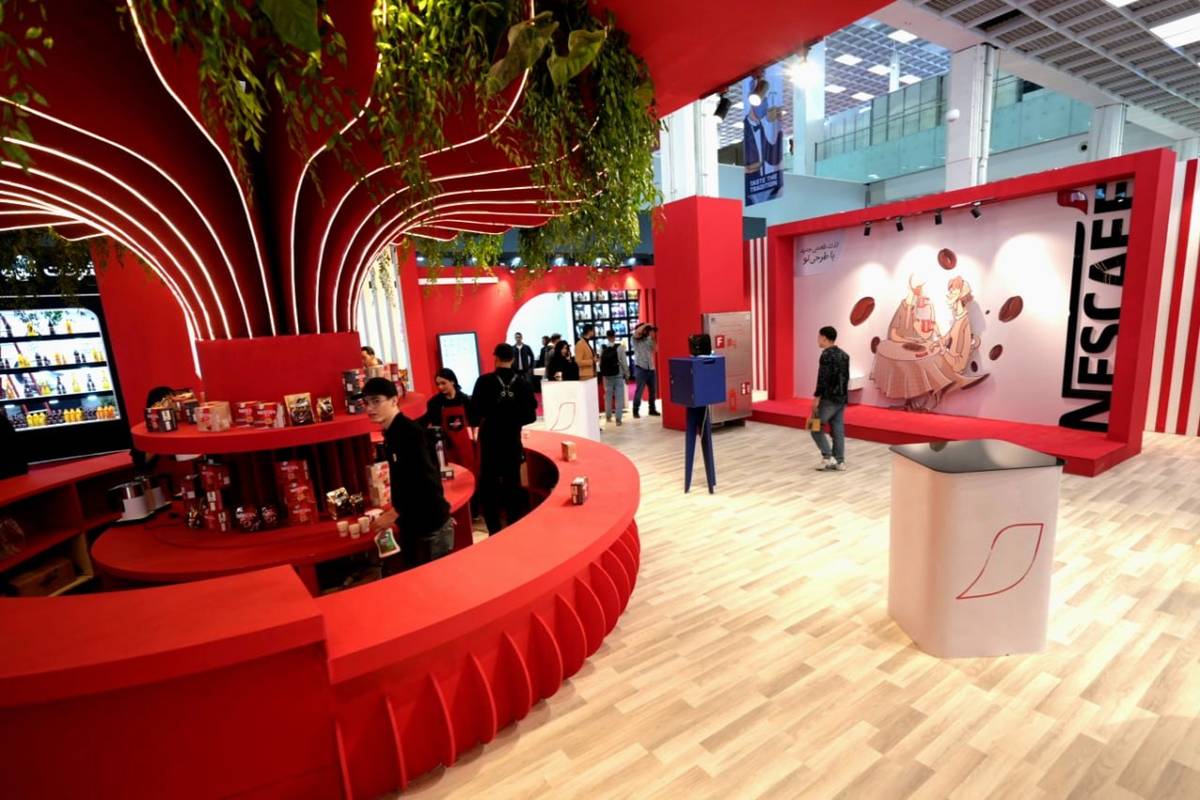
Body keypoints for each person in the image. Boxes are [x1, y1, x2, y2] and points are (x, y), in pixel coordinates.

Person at [360, 376, 454, 571]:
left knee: (433, 584)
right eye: (366, 403)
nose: (370, 408)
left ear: (394, 400)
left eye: (376, 401)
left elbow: (426, 481)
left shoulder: (410, 433)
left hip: (429, 528)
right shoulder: (392, 433)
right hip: (416, 525)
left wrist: (395, 512)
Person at [469, 343, 538, 534]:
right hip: (512, 440)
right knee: (512, 485)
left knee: (489, 487)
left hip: (490, 441)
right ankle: (513, 528)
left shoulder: (484, 381)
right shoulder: (523, 384)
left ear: (495, 358)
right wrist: (514, 420)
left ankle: (494, 530)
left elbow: (473, 415)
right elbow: (531, 415)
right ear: (513, 359)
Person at [418, 368, 477, 479]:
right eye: (438, 384)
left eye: (443, 383)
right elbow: (428, 422)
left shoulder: (465, 400)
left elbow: (474, 423)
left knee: (469, 475)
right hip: (446, 447)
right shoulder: (434, 403)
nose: (440, 387)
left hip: (466, 446)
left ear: (452, 381)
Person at [811, 325, 850, 472]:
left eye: (819, 337)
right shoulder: (844, 355)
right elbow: (846, 379)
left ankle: (827, 457)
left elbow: (822, 379)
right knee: (838, 430)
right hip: (841, 398)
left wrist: (816, 398)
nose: (818, 340)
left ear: (824, 338)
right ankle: (839, 461)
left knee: (815, 427)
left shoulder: (826, 355)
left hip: (828, 398)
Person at [599, 330, 630, 426]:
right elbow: (624, 363)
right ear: (614, 336)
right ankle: (618, 419)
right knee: (619, 397)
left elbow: (600, 363)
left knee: (608, 396)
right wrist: (627, 375)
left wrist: (603, 373)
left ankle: (608, 416)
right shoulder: (620, 347)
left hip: (607, 376)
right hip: (618, 374)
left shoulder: (602, 348)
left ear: (607, 337)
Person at [631, 323, 659, 418]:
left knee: (653, 391)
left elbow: (656, 349)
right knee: (639, 391)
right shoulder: (635, 339)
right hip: (641, 369)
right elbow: (637, 332)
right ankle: (635, 410)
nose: (647, 331)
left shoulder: (649, 339)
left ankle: (652, 409)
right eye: (646, 330)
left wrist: (653, 338)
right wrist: (646, 325)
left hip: (651, 368)